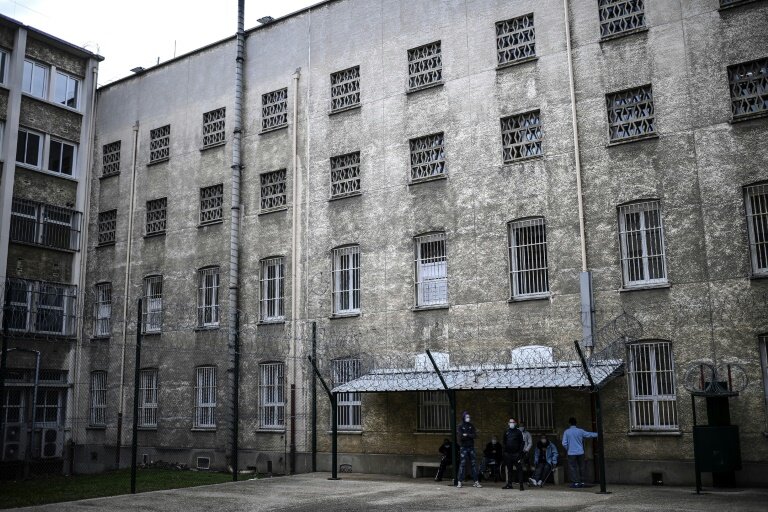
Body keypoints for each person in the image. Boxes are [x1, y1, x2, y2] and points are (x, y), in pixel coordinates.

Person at [562, 417, 598, 488]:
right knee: (582, 467)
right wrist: (598, 434)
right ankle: (582, 482)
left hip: (571, 453)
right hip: (580, 452)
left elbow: (564, 443)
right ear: (576, 423)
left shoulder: (567, 432)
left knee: (573, 468)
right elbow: (589, 434)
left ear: (569, 423)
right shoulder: (580, 431)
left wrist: (568, 449)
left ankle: (576, 483)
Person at [456, 411, 482, 488]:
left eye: (469, 417)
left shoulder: (471, 425)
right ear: (464, 417)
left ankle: (476, 481)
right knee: (462, 464)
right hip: (463, 447)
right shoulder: (460, 426)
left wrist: (466, 434)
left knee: (474, 464)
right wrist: (469, 435)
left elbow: (475, 435)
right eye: (467, 417)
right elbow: (460, 437)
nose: (468, 418)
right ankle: (459, 481)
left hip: (471, 447)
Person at [502, 418, 524, 490]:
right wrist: (505, 452)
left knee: (519, 469)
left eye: (513, 422)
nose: (511, 423)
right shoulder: (506, 431)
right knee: (509, 470)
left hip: (516, 454)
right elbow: (504, 442)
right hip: (508, 454)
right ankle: (509, 484)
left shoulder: (518, 432)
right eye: (510, 422)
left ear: (515, 423)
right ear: (508, 423)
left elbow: (522, 443)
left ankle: (521, 485)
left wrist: (519, 453)